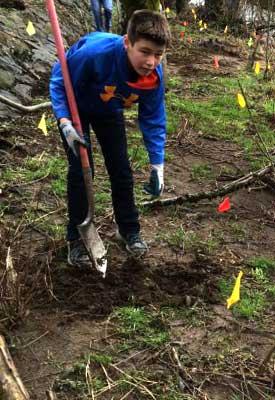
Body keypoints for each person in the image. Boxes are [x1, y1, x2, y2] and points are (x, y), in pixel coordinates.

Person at [49, 10, 170, 267]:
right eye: (145, 51)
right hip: (75, 108)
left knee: (121, 170)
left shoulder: (153, 78)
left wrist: (157, 165)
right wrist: (65, 121)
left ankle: (128, 230)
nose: (151, 61)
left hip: (108, 109)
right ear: (127, 42)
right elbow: (59, 81)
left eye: (158, 55)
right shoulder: (94, 54)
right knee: (82, 172)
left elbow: (153, 119)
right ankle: (76, 239)